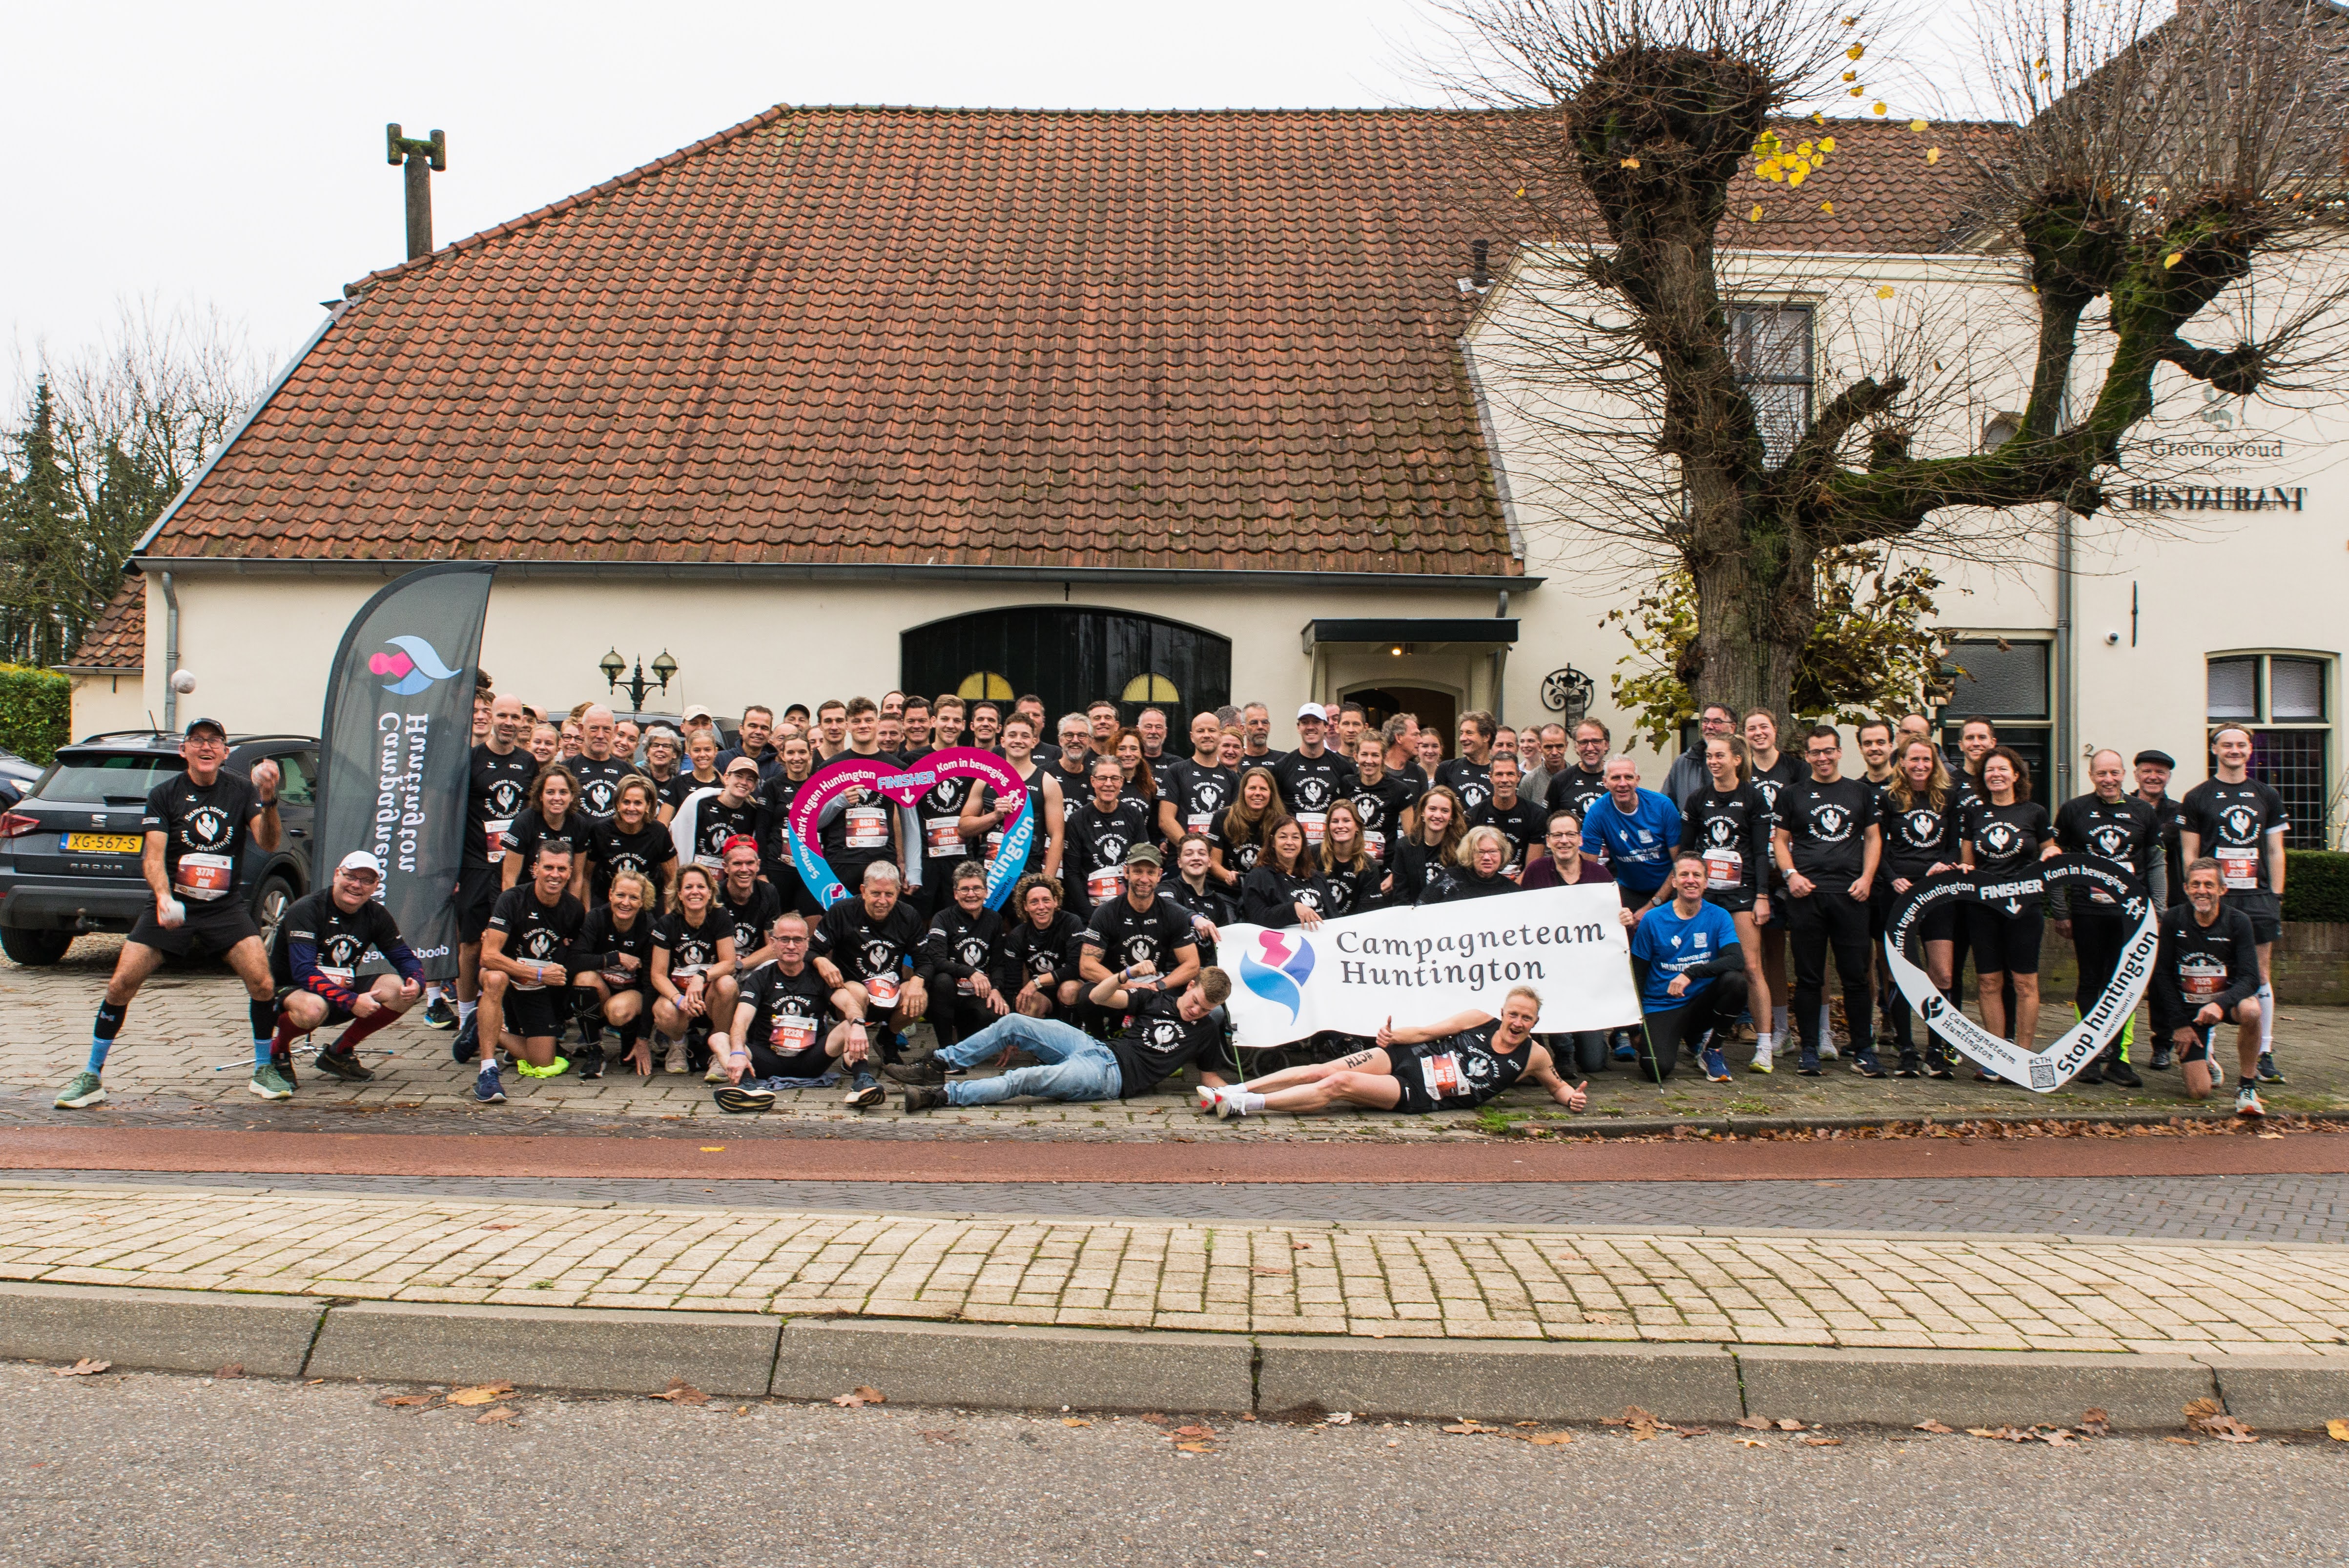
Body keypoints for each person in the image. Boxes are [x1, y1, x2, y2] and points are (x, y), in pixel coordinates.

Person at [56, 720, 287, 1110]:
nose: (206, 747)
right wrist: (163, 896)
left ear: (225, 753)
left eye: (215, 741)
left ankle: (264, 1068)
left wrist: (269, 798)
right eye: (198, 741)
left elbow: (269, 841)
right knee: (120, 985)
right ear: (185, 751)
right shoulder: (165, 794)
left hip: (224, 908)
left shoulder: (242, 790)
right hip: (173, 902)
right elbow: (153, 857)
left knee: (263, 983)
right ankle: (91, 1076)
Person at [1204, 988, 1587, 1119]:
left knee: (1339, 1083)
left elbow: (1557, 1088)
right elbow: (1428, 1031)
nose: (1518, 1023)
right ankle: (1235, 1090)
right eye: (1514, 1015)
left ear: (1535, 1023)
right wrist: (1392, 1036)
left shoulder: (1534, 1056)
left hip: (1422, 1093)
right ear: (1504, 1013)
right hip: (1411, 1057)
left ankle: (1246, 1107)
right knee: (1321, 1069)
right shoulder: (1480, 1019)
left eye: (1527, 1019)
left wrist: (1572, 1097)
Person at [901, 965, 1233, 1113]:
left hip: (1109, 1079)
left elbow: (1210, 1077)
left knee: (1023, 1079)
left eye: (1206, 1010)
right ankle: (939, 1063)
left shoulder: (1204, 1032)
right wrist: (1126, 976)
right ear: (1191, 987)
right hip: (1096, 1048)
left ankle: (942, 1095)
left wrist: (1244, 1097)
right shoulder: (1154, 999)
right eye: (1196, 1002)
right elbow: (1097, 998)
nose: (1196, 1011)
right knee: (1016, 1022)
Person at [2180, 725, 2289, 1084]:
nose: (2234, 750)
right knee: (2209, 975)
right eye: (2227, 744)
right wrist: (2197, 895)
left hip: (2257, 899)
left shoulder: (2267, 795)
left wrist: (2275, 895)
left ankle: (2265, 1053)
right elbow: (2190, 853)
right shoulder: (2197, 796)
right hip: (2213, 899)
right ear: (2214, 748)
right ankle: (2207, 1054)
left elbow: (2275, 850)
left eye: (2241, 745)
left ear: (2250, 750)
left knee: (2260, 975)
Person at [1772, 725, 1884, 1077]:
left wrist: (1867, 879)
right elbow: (1780, 841)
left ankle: (1864, 1051)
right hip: (1807, 897)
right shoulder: (1792, 795)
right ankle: (1809, 1051)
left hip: (1851, 896)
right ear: (1807, 757)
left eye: (1829, 751)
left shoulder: (1860, 793)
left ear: (1839, 753)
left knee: (1855, 977)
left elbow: (1873, 838)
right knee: (1808, 978)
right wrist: (1792, 876)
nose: (1822, 758)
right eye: (1815, 752)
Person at [262, 851, 425, 1086]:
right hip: (291, 991)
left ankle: (339, 1053)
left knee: (399, 989)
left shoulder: (376, 914)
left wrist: (416, 980)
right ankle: (278, 1051)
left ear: (376, 885)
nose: (357, 886)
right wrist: (352, 1002)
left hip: (340, 990)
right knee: (313, 1008)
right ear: (337, 875)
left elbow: (403, 956)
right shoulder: (306, 909)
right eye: (351, 877)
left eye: (367, 880)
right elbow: (303, 972)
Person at [2051, 748, 2163, 1087]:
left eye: (2114, 773)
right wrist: (2060, 909)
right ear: (2092, 776)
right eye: (2102, 774)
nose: (2109, 780)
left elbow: (2156, 863)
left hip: (2131, 916)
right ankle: (2086, 1054)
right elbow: (2055, 862)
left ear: (2124, 775)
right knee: (2090, 981)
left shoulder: (2143, 811)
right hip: (2088, 912)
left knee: (2124, 984)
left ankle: (2120, 1058)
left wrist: (2159, 909)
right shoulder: (2074, 810)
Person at [434, 693, 534, 1035]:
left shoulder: (528, 761)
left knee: (511, 940)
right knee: (472, 945)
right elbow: (449, 815)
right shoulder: (470, 760)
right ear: (491, 717)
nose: (508, 722)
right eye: (502, 715)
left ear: (523, 722)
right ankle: (465, 1017)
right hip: (477, 864)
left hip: (516, 867)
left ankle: (510, 1017)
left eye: (515, 717)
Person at [1677, 732, 1776, 1072]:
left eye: (1721, 756)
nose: (1714, 762)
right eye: (1710, 757)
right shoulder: (1697, 799)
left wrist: (1762, 896)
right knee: (1706, 964)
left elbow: (1762, 853)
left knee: (1749, 967)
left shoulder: (1754, 799)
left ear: (1738, 759)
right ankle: (1707, 1037)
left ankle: (1765, 1045)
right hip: (1705, 897)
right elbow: (1687, 852)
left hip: (1742, 896)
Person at [1958, 745, 2060, 1075]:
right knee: (1988, 981)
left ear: (2016, 775)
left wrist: (2052, 854)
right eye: (1990, 770)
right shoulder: (1973, 813)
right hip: (1983, 908)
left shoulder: (2035, 813)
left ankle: (2024, 1056)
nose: (1996, 775)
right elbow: (1967, 864)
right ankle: (1996, 1056)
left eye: (2003, 769)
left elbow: (2051, 849)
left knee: (2025, 982)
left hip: (2024, 907)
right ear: (1982, 778)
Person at [2151, 859, 2267, 1116]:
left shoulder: (2239, 922)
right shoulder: (2173, 919)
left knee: (2252, 1011)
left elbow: (2251, 978)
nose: (2201, 890)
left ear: (2222, 890)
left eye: (2209, 884)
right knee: (2199, 1092)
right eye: (2195, 884)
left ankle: (2247, 1087)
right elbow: (2161, 976)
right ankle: (2205, 1059)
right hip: (2190, 1012)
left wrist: (2220, 1003)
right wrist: (2179, 1025)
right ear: (2186, 888)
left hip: (2226, 1004)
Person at [475, 840, 588, 1102]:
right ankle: (488, 1071)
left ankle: (482, 1026)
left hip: (537, 988)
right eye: (549, 867)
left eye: (562, 869)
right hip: (508, 977)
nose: (555, 875)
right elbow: (488, 955)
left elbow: (574, 953)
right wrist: (536, 974)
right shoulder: (512, 899)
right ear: (535, 869)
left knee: (543, 1060)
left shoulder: (573, 909)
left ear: (570, 873)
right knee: (494, 977)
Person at [810, 860, 929, 1105]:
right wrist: (822, 962)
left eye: (889, 894)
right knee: (856, 992)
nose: (882, 901)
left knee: (920, 995)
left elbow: (926, 961)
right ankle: (854, 1055)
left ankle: (887, 1039)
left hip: (890, 991)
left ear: (898, 892)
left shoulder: (909, 916)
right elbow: (812, 951)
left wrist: (917, 981)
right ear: (863, 891)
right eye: (876, 893)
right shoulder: (842, 911)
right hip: (852, 996)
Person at [1879, 738, 1963, 1078]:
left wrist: (1945, 865)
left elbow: (1956, 846)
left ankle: (1937, 1048)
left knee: (1942, 973)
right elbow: (1875, 846)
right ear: (1902, 762)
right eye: (1913, 760)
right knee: (1898, 973)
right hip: (1898, 892)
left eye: (1926, 760)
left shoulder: (1949, 798)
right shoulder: (1888, 798)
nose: (1920, 766)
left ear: (1935, 763)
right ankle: (1906, 1048)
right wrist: (1892, 878)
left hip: (1937, 893)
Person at [1630, 856, 1750, 1083]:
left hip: (1702, 1004)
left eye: (1697, 875)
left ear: (1706, 882)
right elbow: (1637, 974)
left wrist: (1691, 973)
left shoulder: (1719, 916)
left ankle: (1712, 1050)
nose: (1690, 880)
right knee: (1656, 1070)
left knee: (1736, 982)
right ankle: (1682, 1039)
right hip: (1662, 1005)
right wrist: (1635, 1027)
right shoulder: (1653, 920)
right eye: (1684, 875)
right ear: (1674, 882)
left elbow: (1736, 960)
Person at [709, 912, 840, 1112]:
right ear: (772, 942)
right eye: (784, 940)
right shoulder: (760, 977)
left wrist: (857, 1023)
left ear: (807, 943)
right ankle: (748, 1086)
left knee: (853, 1025)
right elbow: (741, 1021)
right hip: (768, 1060)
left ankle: (863, 1080)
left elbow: (849, 1004)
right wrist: (737, 1053)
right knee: (718, 1038)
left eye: (797, 940)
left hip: (811, 1061)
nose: (791, 946)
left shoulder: (819, 976)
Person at [1742, 709, 1805, 1054]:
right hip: (1758, 875)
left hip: (1795, 871)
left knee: (1803, 955)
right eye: (1752, 729)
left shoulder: (1796, 769)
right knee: (1768, 954)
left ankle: (1810, 1031)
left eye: (1764, 727)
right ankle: (1778, 1030)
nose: (1758, 733)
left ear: (1775, 730)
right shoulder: (1744, 772)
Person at [649, 863, 740, 1077]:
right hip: (680, 996)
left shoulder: (720, 916)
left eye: (701, 887)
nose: (695, 892)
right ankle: (678, 1043)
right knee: (664, 1012)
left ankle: (720, 1049)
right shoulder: (667, 923)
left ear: (710, 892)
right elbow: (657, 974)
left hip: (710, 996)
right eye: (688, 887)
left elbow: (729, 962)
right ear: (680, 894)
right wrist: (678, 999)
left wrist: (701, 977)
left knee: (728, 984)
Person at [1078, 843, 1203, 995]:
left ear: (1159, 875)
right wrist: (1126, 984)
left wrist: (1160, 986)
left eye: (1151, 873)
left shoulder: (1173, 913)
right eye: (1138, 872)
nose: (1144, 879)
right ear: (1126, 872)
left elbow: (1192, 964)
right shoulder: (1106, 912)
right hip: (1118, 985)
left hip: (1158, 986)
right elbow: (1087, 965)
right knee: (1086, 995)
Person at [572, 869, 659, 1078]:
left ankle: (630, 1039)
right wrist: (615, 958)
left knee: (618, 1011)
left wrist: (643, 1038)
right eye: (620, 895)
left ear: (642, 901)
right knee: (583, 978)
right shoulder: (596, 917)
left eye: (633, 897)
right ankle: (595, 1052)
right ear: (611, 894)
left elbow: (650, 985)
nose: (626, 903)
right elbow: (574, 960)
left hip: (632, 996)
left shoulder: (649, 927)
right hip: (602, 991)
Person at [961, 716, 1066, 884]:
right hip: (989, 877)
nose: (1018, 741)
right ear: (1002, 741)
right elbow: (963, 828)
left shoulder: (1047, 782)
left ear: (1033, 742)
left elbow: (1058, 837)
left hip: (1029, 877)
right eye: (1013, 735)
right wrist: (994, 816)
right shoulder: (985, 779)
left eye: (1025, 736)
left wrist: (1047, 883)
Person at [1582, 756, 1679, 916]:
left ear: (1637, 780)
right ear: (1605, 782)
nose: (1622, 784)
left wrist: (1651, 906)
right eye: (1615, 778)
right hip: (1630, 889)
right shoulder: (1597, 812)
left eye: (1628, 777)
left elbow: (1679, 863)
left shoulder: (1663, 806)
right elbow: (1587, 868)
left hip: (1669, 888)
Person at [1061, 757, 1155, 922]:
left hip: (1128, 907)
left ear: (1122, 781)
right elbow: (1072, 874)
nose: (1108, 784)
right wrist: (1091, 917)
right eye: (1102, 778)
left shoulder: (1134, 815)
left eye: (1114, 778)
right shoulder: (1078, 819)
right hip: (1090, 909)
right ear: (1093, 781)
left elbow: (1142, 864)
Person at [999, 873, 1088, 1022]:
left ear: (1056, 901)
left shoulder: (1071, 922)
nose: (1041, 907)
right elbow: (1012, 986)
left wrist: (1036, 982)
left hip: (1070, 986)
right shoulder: (1018, 935)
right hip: (1041, 993)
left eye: (1046, 900)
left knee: (1068, 990)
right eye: (1034, 902)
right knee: (1024, 1004)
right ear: (1025, 906)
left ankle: (1070, 1037)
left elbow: (1075, 968)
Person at [1270, 701, 1359, 849]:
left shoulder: (1342, 767)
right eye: (1305, 723)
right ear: (1298, 728)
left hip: (1330, 847)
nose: (1311, 727)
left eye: (1316, 722)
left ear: (1326, 726)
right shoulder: (1282, 766)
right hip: (1293, 847)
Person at [586, 776, 678, 909]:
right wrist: (588, 911)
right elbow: (586, 876)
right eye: (626, 802)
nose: (631, 808)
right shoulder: (600, 831)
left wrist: (670, 917)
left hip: (648, 903)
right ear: (617, 804)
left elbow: (672, 879)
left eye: (638, 803)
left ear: (648, 805)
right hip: (607, 901)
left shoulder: (659, 832)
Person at [676, 756, 765, 875]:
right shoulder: (699, 802)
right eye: (738, 776)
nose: (744, 783)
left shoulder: (753, 813)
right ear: (726, 778)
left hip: (730, 880)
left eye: (750, 780)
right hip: (695, 876)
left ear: (754, 787)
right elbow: (677, 838)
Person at [1241, 818, 1333, 927]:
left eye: (1295, 837)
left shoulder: (1318, 877)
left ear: (1302, 842)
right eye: (1283, 837)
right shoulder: (1258, 877)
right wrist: (1293, 909)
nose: (1289, 842)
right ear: (1273, 842)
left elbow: (1334, 916)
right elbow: (1257, 919)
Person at [1388, 784, 1467, 905]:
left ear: (1451, 817)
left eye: (1445, 811)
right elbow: (1401, 896)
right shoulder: (1405, 846)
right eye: (1432, 809)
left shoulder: (1462, 849)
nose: (1438, 815)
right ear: (1423, 813)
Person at [1208, 766, 1286, 889]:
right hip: (1227, 890)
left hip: (1265, 891)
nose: (1258, 793)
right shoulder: (1223, 817)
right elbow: (1213, 862)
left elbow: (1285, 865)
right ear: (1243, 791)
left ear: (1271, 793)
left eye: (1264, 789)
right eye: (1252, 788)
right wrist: (1229, 876)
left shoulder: (1281, 822)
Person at [716, 839, 785, 974]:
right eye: (737, 864)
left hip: (752, 964)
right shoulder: (714, 894)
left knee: (776, 965)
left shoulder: (768, 892)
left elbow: (773, 946)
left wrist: (738, 965)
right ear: (725, 867)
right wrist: (727, 967)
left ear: (758, 865)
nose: (744, 869)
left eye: (750, 863)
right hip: (720, 967)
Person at [2133, 748, 2190, 913]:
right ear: (2136, 775)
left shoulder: (2180, 811)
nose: (2153, 777)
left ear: (2169, 777)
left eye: (2160, 772)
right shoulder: (2123, 807)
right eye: (2147, 771)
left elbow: (2162, 840)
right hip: (2130, 893)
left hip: (2171, 899)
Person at [1470, 754, 1545, 876]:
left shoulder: (1536, 815)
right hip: (1485, 885)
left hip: (1522, 886)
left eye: (1510, 774)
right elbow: (1472, 865)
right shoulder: (1474, 815)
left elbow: (1532, 870)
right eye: (1499, 774)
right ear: (1491, 777)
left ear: (1519, 777)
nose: (1505, 780)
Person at [1350, 734, 1419, 863]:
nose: (1369, 761)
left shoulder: (1399, 790)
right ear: (1356, 756)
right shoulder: (1346, 784)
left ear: (1384, 757)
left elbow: (1410, 838)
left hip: (1386, 867)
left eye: (1375, 755)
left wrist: (1395, 874)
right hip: (1353, 864)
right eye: (1364, 754)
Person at [1664, 703, 1738, 809]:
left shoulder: (1745, 761)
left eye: (1717, 722)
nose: (1709, 727)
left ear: (1732, 728)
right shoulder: (1684, 763)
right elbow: (1666, 806)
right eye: (1706, 721)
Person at [1318, 799, 1385, 915]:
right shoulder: (1313, 855)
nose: (1340, 826)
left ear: (1357, 827)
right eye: (1335, 821)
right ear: (1329, 827)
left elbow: (1369, 913)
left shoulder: (1369, 866)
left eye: (1346, 821)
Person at [1422, 824, 1520, 904]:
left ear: (1502, 854)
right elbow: (1421, 907)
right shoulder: (1448, 878)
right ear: (1469, 853)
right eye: (1480, 852)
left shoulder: (1512, 891)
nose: (1487, 857)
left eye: (1493, 851)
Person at [1545, 719, 1612, 823]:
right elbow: (1548, 820)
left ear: (1606, 744)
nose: (1590, 748)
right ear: (1576, 746)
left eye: (1596, 741)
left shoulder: (1618, 778)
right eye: (1584, 742)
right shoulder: (1561, 780)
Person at [1437, 711, 1497, 814]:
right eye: (1461, 733)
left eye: (1469, 733)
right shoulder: (1447, 768)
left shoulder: (1499, 772)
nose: (1463, 739)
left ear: (1486, 737)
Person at [1239, 702, 1283, 768]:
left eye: (1265, 723)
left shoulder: (1283, 760)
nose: (1261, 727)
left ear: (1269, 727)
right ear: (1243, 729)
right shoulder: (1236, 762)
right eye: (1254, 723)